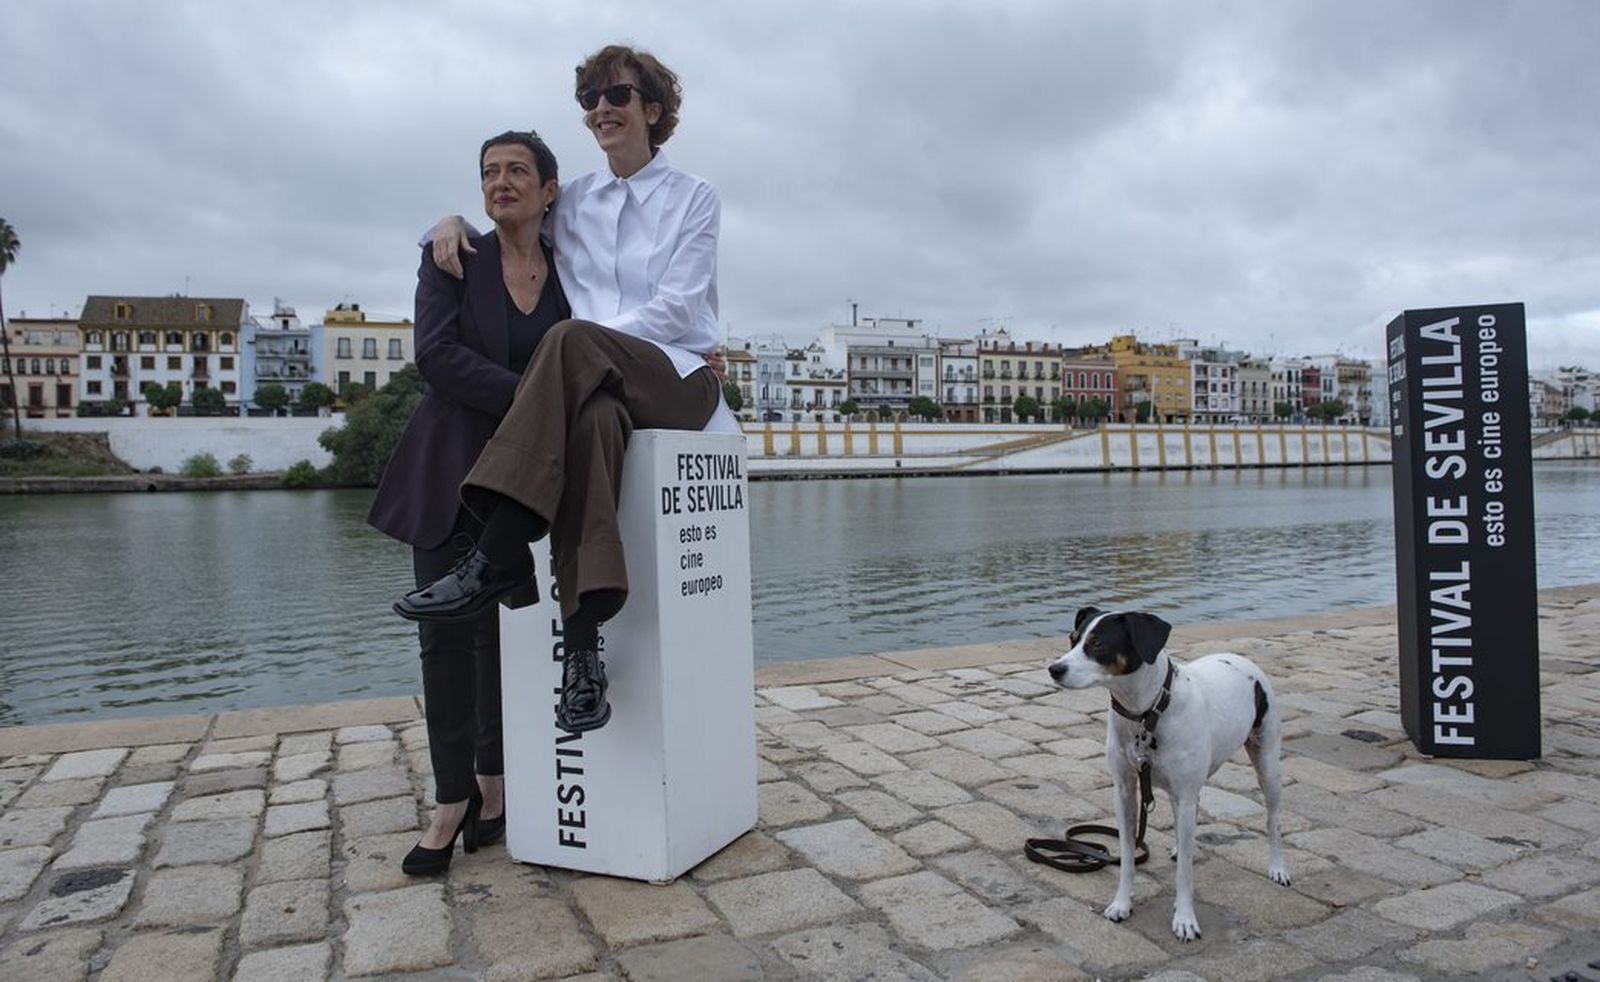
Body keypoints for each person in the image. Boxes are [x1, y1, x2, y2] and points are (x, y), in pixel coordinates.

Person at [394, 44, 735, 738]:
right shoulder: (573, 198)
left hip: (679, 376)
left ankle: (496, 550)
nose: (601, 109)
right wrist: (446, 224)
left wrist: (588, 344)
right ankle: (582, 655)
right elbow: (507, 223)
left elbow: (676, 308)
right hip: (596, 386)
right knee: (594, 422)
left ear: (653, 110)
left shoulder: (694, 197)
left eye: (616, 96)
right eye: (589, 99)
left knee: (571, 341)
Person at [369, 130, 569, 875]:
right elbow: (436, 355)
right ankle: (450, 801)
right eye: (489, 172)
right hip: (448, 470)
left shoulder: (568, 271)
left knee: (499, 637)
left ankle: (494, 786)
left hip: (523, 483)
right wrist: (535, 400)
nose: (501, 182)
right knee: (444, 636)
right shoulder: (453, 256)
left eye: (518, 170)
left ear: (549, 189)